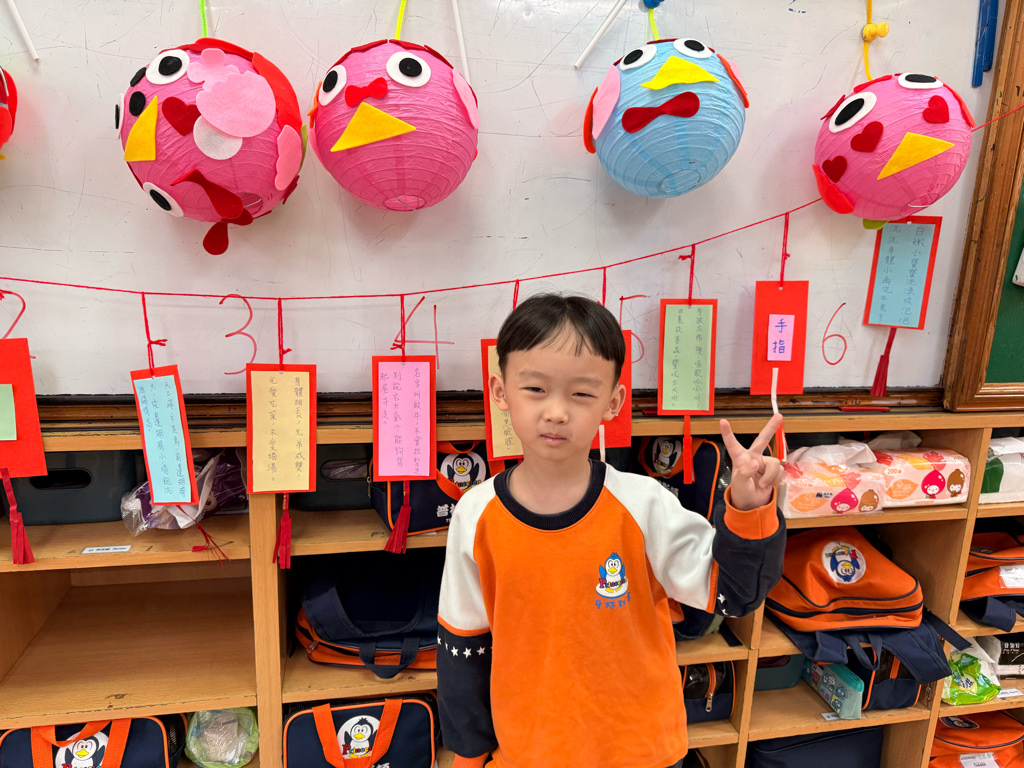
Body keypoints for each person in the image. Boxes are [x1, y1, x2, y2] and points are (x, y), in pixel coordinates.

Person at [437, 294, 786, 768]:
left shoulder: (644, 505)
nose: (556, 412)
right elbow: (463, 648)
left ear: (613, 402)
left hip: (643, 751)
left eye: (581, 394)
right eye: (535, 388)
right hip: (530, 752)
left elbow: (735, 593)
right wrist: (469, 756)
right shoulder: (475, 514)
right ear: (499, 391)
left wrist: (749, 507)